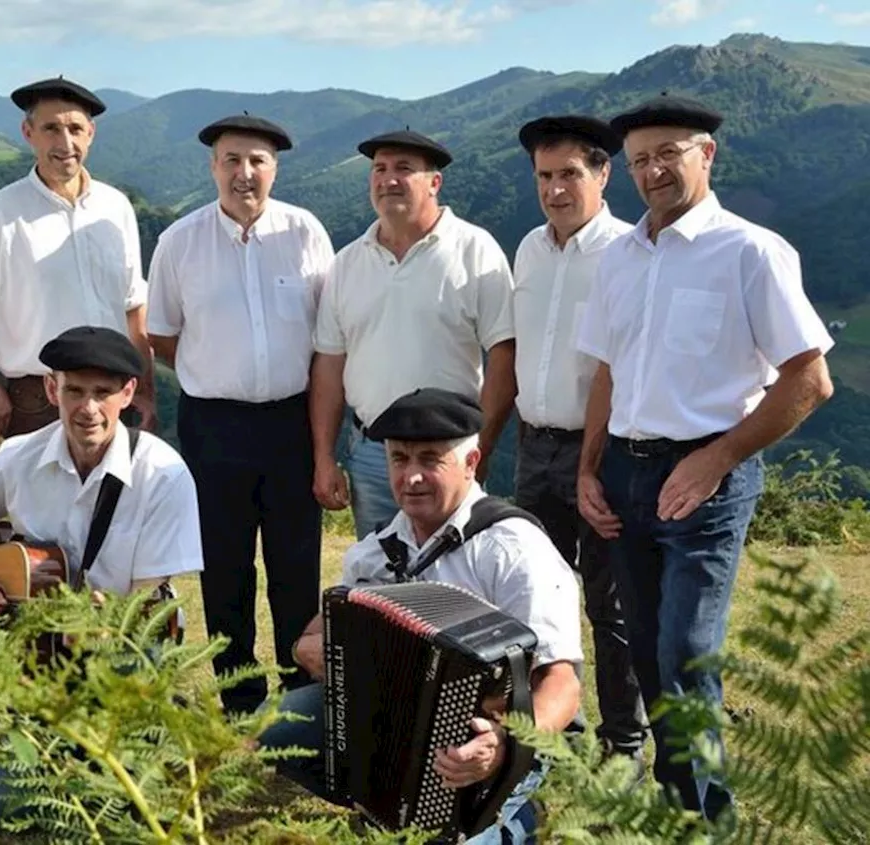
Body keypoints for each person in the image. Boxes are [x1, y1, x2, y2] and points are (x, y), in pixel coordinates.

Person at [576, 93, 835, 819]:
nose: (652, 171)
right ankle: (674, 796)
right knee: (647, 652)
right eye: (638, 160)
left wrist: (716, 459)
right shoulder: (620, 256)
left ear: (706, 155)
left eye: (668, 154)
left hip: (706, 481)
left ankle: (707, 818)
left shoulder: (751, 251)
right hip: (625, 475)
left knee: (686, 654)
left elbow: (810, 380)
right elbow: (606, 370)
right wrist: (589, 468)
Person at [257, 388, 583, 844]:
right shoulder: (377, 551)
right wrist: (311, 652)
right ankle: (376, 799)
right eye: (399, 459)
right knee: (275, 725)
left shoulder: (514, 549)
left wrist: (504, 746)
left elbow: (561, 683)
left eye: (430, 460)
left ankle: (518, 810)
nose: (411, 477)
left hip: (496, 729)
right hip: (398, 722)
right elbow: (313, 637)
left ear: (471, 463)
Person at [0, 324, 203, 821]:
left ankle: (117, 746)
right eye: (74, 390)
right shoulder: (18, 457)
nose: (87, 408)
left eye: (102, 393)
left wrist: (100, 620)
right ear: (52, 389)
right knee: (3, 805)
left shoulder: (163, 474)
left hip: (122, 650)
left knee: (129, 804)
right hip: (33, 652)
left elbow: (141, 607)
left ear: (128, 394)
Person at [146, 114, 333, 715]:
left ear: (275, 168)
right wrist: (218, 371)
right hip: (215, 424)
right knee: (224, 566)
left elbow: (329, 334)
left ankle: (300, 693)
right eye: (231, 160)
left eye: (256, 161)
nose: (243, 173)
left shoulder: (304, 233)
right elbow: (164, 335)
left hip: (291, 422)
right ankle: (239, 695)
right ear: (212, 167)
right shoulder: (181, 242)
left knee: (295, 564)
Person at [511, 114, 647, 762]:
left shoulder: (628, 252)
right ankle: (554, 732)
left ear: (603, 174)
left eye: (570, 173)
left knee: (609, 602)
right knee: (532, 597)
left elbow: (623, 369)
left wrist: (594, 462)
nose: (555, 188)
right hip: (532, 446)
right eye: (544, 175)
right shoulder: (529, 250)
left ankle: (622, 743)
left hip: (605, 453)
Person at [310, 129, 517, 539]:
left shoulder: (475, 250)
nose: (388, 180)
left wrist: (482, 447)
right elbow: (330, 367)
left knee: (454, 576)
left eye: (404, 169)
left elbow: (504, 357)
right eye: (379, 169)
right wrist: (323, 457)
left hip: (450, 450)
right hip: (372, 452)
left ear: (434, 182)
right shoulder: (347, 263)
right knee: (380, 574)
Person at [0, 77, 156, 440]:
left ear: (91, 133)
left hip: (111, 397)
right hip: (34, 403)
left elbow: (133, 308)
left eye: (75, 128)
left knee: (109, 497)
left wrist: (147, 388)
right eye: (51, 129)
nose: (65, 143)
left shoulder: (115, 207)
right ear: (28, 133)